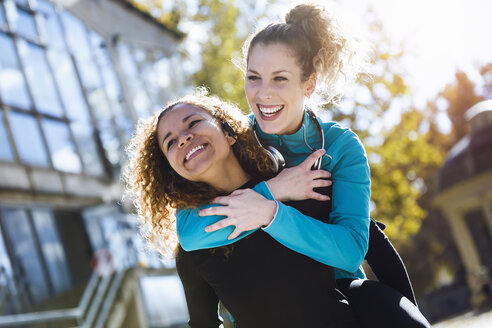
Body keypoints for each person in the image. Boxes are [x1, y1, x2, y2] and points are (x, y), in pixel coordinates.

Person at [176, 3, 431, 328]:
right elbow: (189, 232)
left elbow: (351, 251)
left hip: (337, 302)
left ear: (308, 84)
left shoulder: (340, 148)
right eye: (253, 77)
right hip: (264, 307)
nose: (263, 93)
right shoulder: (233, 141)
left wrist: (270, 214)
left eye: (279, 79)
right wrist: (273, 190)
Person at [124, 93, 360, 327]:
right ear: (173, 171)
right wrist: (272, 190)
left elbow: (363, 250)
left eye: (193, 123)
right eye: (171, 142)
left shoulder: (298, 186)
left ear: (228, 133)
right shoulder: (194, 247)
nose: (183, 139)